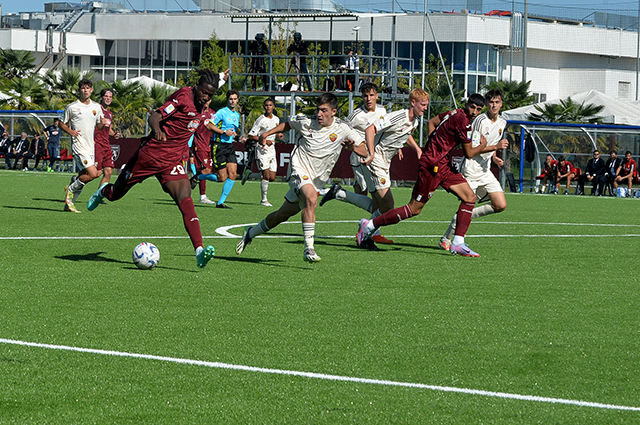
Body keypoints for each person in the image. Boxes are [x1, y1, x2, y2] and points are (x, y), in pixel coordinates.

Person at [86, 69, 227, 269]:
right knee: (115, 194)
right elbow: (155, 115)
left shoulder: (204, 102)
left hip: (172, 161)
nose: (206, 98)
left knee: (186, 200)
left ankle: (199, 251)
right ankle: (103, 191)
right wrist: (158, 129)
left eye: (210, 95)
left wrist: (221, 78)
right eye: (204, 92)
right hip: (150, 156)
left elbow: (212, 86)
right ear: (197, 87)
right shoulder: (183, 97)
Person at [235, 92, 369, 262]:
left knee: (281, 215)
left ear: (334, 112)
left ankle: (250, 233)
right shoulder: (307, 121)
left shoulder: (343, 128)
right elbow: (288, 125)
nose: (319, 114)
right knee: (312, 198)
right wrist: (266, 134)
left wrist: (352, 149)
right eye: (318, 110)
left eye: (324, 111)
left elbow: (365, 150)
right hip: (298, 170)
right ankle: (309, 249)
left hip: (316, 179)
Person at [356, 94, 487, 257]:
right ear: (467, 104)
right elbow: (468, 153)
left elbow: (432, 122)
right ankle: (369, 225)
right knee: (414, 209)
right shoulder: (463, 122)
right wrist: (483, 145)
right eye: (472, 107)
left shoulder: (454, 112)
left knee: (469, 197)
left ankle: (458, 243)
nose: (474, 112)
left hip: (443, 164)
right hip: (431, 166)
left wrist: (433, 147)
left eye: (478, 109)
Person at [320, 83, 423, 246]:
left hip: (378, 158)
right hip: (367, 157)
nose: (369, 98)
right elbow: (360, 128)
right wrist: (363, 149)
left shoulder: (389, 113)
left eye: (372, 95)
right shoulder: (358, 115)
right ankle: (368, 227)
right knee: (385, 204)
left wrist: (410, 147)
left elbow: (398, 131)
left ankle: (340, 196)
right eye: (366, 95)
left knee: (377, 203)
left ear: (377, 96)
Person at [439, 89, 509, 250]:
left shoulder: (503, 123)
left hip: (485, 170)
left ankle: (465, 217)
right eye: (491, 102)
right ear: (486, 104)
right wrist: (496, 147)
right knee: (467, 203)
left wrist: (494, 156)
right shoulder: (480, 120)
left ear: (501, 104)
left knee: (500, 205)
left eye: (497, 102)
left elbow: (489, 143)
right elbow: (473, 148)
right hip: (471, 168)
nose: (494, 105)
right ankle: (446, 239)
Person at [58, 78, 106, 213]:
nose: (85, 90)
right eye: (83, 88)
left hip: (90, 146)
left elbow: (99, 126)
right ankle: (71, 188)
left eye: (88, 88)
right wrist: (70, 131)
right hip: (78, 146)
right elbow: (62, 123)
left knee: (86, 175)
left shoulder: (96, 107)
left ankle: (69, 205)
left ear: (91, 90)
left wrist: (103, 123)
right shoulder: (72, 107)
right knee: (93, 173)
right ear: (79, 90)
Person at [197, 89, 240, 209]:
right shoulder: (221, 112)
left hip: (229, 147)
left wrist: (236, 135)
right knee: (222, 178)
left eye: (235, 99)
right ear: (227, 100)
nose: (233, 101)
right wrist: (223, 132)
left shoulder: (236, 115)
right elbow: (209, 125)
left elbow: (232, 130)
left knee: (233, 174)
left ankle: (220, 202)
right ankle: (200, 177)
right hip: (219, 146)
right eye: (231, 99)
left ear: (237, 100)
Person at [243, 98, 283, 206]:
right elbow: (252, 135)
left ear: (273, 106)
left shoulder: (276, 119)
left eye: (270, 105)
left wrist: (278, 135)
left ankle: (250, 175)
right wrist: (264, 140)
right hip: (262, 149)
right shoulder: (261, 120)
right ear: (264, 107)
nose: (268, 107)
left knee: (272, 177)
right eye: (266, 105)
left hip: (272, 149)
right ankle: (264, 199)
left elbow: (275, 132)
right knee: (266, 175)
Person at [189, 103, 217, 204]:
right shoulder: (197, 113)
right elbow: (190, 131)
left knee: (208, 171)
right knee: (204, 170)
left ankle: (192, 181)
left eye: (209, 100)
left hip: (210, 145)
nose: (207, 102)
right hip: (200, 146)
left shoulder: (213, 113)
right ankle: (202, 196)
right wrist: (190, 151)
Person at [94, 89, 121, 187]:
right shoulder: (96, 110)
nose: (108, 99)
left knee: (109, 171)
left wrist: (114, 134)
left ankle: (98, 196)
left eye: (110, 97)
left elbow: (107, 128)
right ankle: (76, 180)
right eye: (106, 96)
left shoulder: (110, 113)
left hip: (106, 144)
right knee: (96, 174)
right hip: (96, 143)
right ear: (101, 97)